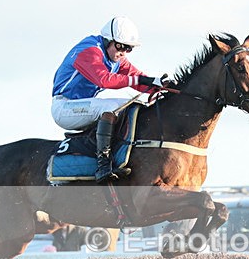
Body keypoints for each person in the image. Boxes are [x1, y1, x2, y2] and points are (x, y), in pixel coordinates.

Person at [51, 16, 174, 183]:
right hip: (64, 108)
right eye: (121, 47)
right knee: (113, 106)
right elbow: (104, 80)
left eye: (129, 49)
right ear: (109, 40)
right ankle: (103, 165)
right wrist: (140, 81)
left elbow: (136, 77)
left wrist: (160, 86)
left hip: (79, 107)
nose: (124, 52)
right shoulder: (90, 51)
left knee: (130, 104)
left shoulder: (116, 58)